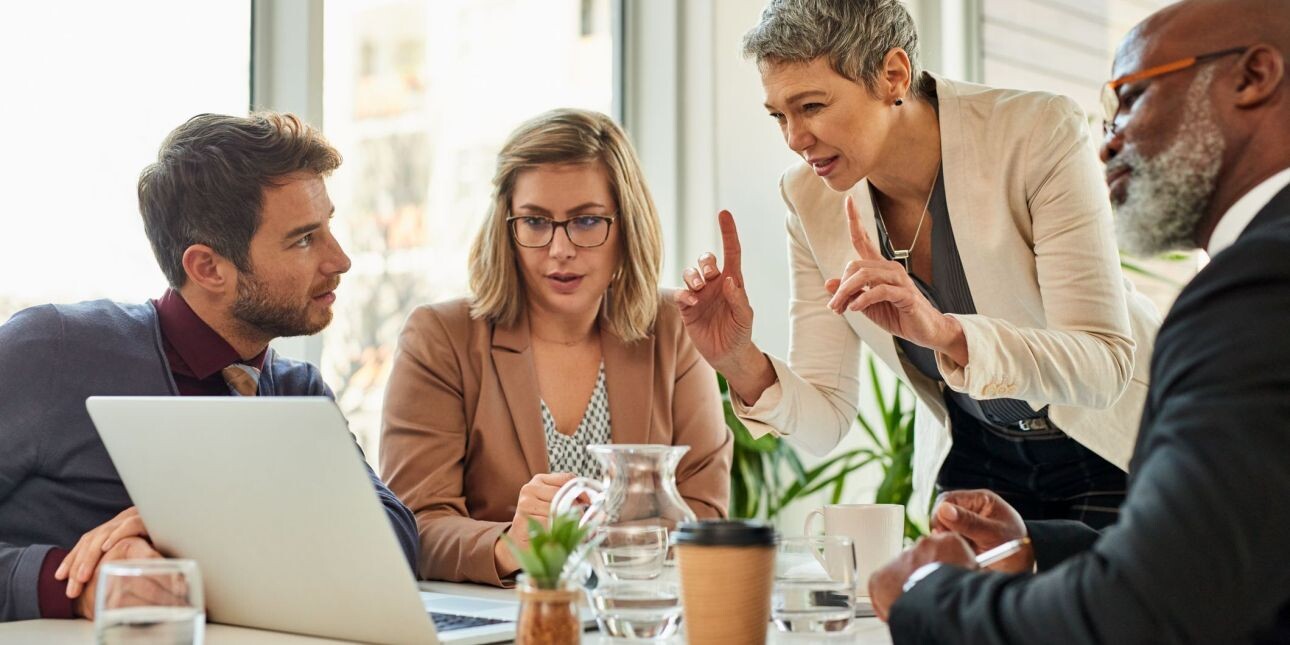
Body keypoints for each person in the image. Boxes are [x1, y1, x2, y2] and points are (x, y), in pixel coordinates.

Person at [868, 0, 1290, 641]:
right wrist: (1037, 546)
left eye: (1132, 97)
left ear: (1253, 76)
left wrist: (930, 598)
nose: (1108, 140)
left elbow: (1148, 613)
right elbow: (1239, 551)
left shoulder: (1258, 287)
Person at [677, 0, 1160, 528]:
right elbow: (826, 421)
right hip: (979, 462)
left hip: (1115, 452)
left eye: (811, 106)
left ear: (892, 75)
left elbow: (1103, 362)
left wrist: (946, 332)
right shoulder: (809, 199)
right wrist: (739, 359)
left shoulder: (1034, 133)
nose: (794, 139)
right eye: (778, 116)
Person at [0, 113, 418, 622]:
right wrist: (74, 586)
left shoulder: (295, 391)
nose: (340, 259)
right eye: (304, 239)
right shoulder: (54, 351)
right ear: (208, 268)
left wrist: (193, 523)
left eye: (329, 226)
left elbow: (393, 540)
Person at [380, 108, 733, 587]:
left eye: (587, 221)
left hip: (637, 617)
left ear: (626, 224)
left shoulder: (673, 327)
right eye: (536, 222)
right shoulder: (440, 337)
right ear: (508, 227)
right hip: (505, 622)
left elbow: (704, 513)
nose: (560, 249)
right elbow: (414, 525)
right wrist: (512, 544)